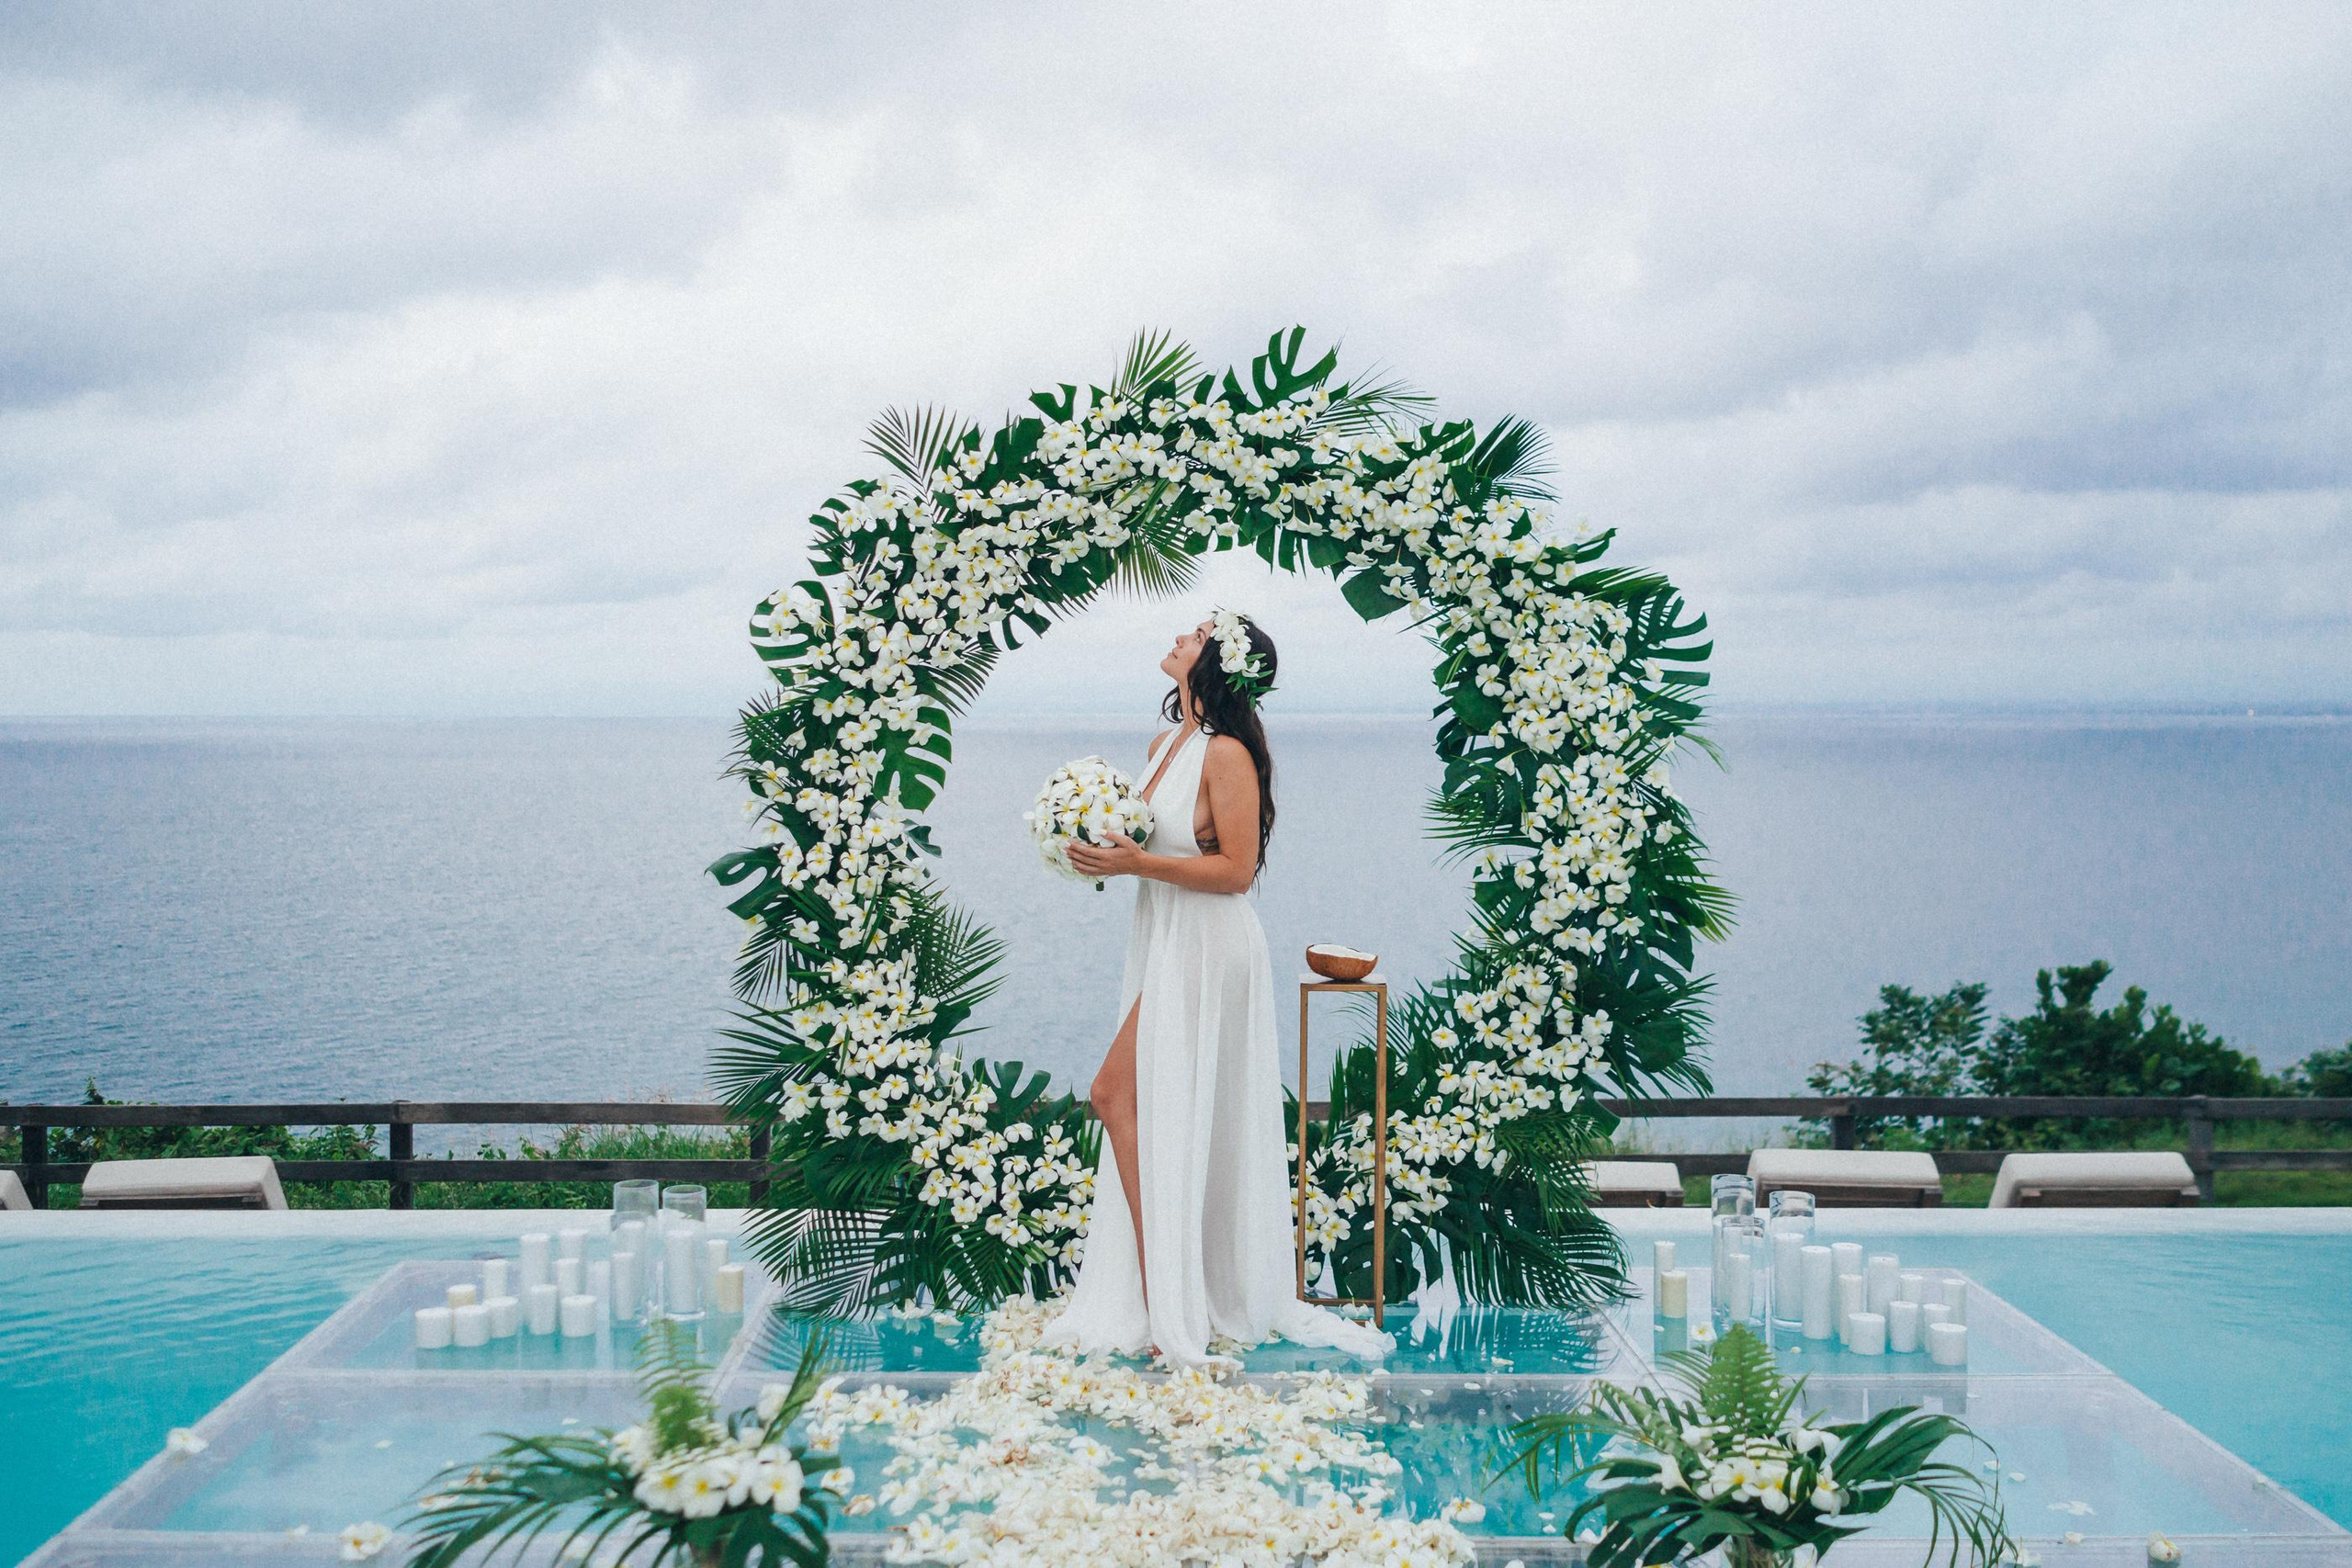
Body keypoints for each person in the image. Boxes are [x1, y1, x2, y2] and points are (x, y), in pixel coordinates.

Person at [1046, 609, 1391, 1367]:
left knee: (1114, 1093)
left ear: (1217, 665)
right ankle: (1162, 1286)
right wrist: (1090, 854)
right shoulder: (1163, 743)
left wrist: (1138, 866)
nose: (1179, 634)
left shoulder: (1229, 754)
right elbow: (1148, 847)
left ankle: (1169, 1293)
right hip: (1163, 932)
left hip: (1208, 940)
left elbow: (1235, 870)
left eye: (1198, 633)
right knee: (1141, 1100)